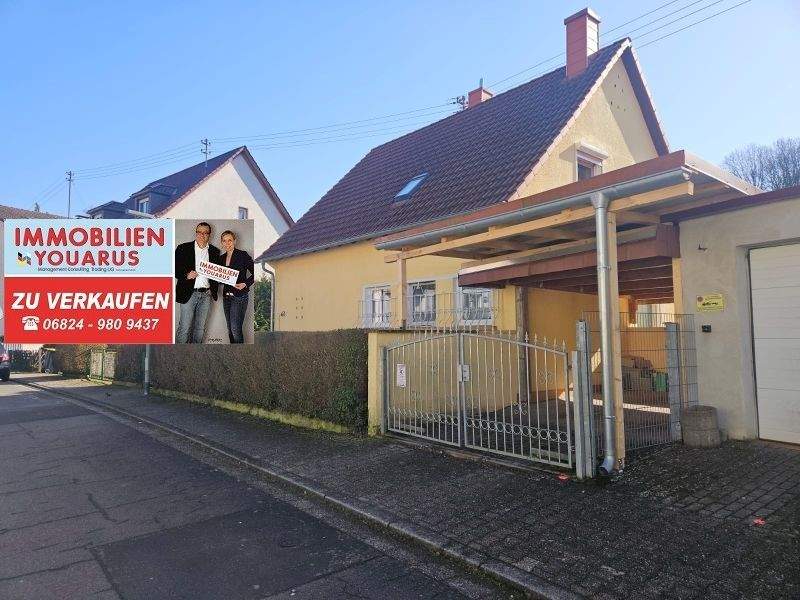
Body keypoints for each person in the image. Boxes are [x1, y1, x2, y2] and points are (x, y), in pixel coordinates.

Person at [174, 222, 220, 343]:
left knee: (200, 329)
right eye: (199, 232)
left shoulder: (215, 251)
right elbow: (173, 268)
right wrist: (186, 275)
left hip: (206, 295)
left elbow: (218, 274)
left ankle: (194, 358)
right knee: (184, 328)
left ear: (209, 235)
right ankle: (178, 359)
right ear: (196, 233)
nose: (202, 235)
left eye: (205, 233)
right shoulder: (183, 248)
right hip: (189, 293)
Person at [217, 230, 254, 344]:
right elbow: (219, 278)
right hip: (226, 297)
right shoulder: (221, 258)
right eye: (224, 241)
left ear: (235, 241)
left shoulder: (242, 255)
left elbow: (255, 271)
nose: (227, 243)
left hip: (239, 297)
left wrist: (245, 284)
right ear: (221, 243)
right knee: (230, 330)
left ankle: (240, 357)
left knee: (235, 330)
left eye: (230, 240)